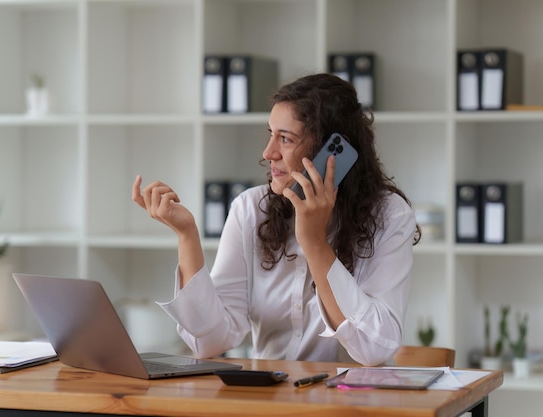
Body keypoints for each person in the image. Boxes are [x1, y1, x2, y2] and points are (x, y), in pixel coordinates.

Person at [132, 73, 420, 366]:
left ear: (332, 152)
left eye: (286, 139)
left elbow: (373, 349)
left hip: (354, 403)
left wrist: (314, 243)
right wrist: (186, 235)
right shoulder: (250, 209)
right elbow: (210, 340)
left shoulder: (390, 215)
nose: (268, 152)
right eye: (271, 134)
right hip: (270, 400)